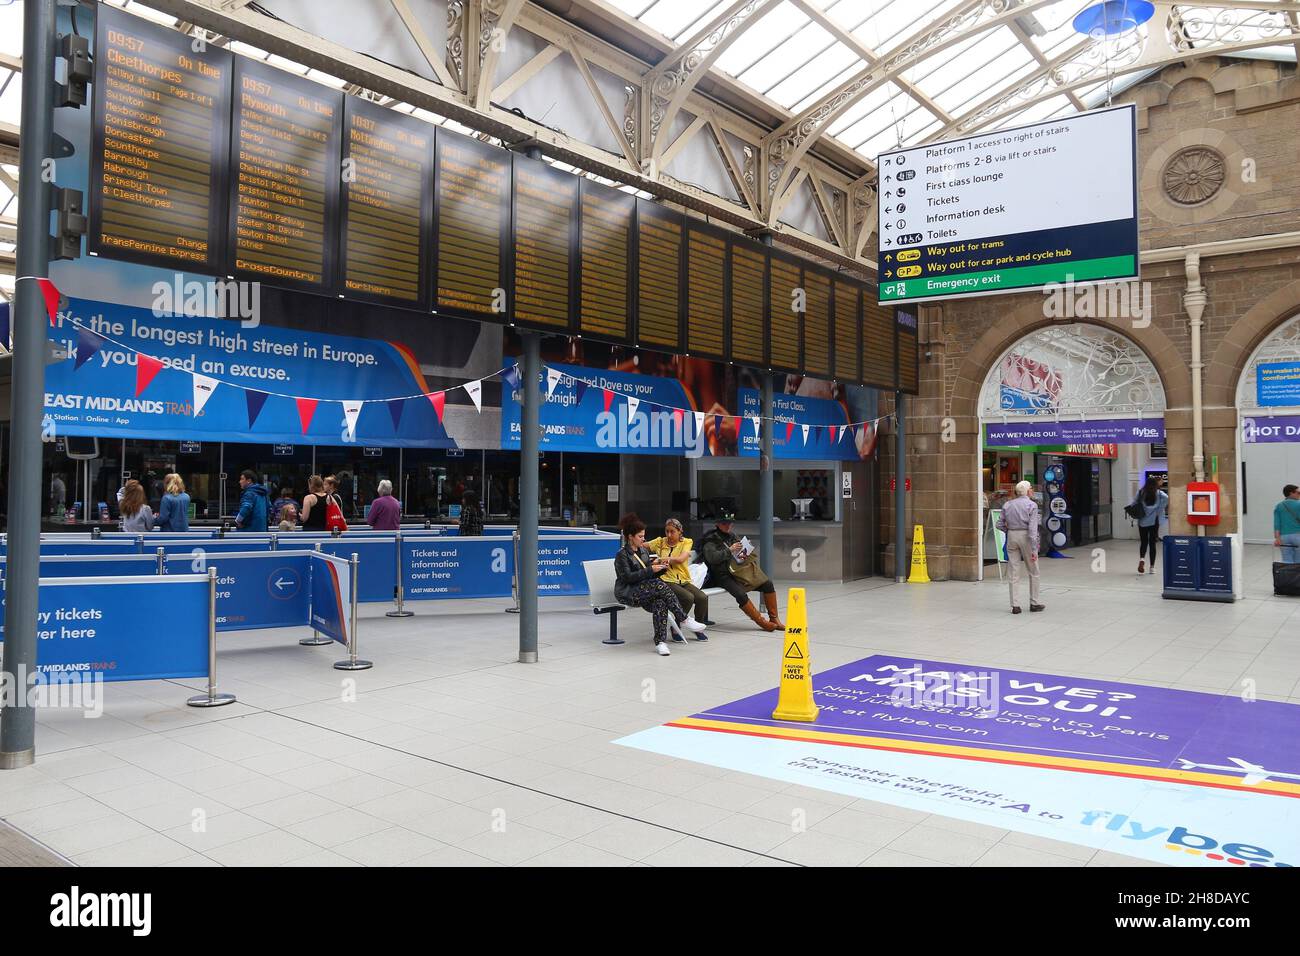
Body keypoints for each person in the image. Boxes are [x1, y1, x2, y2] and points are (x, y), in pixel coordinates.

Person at [614, 513, 706, 656]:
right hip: (628, 592)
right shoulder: (622, 554)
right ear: (630, 537)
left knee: (660, 603)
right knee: (658, 584)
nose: (643, 539)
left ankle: (660, 643)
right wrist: (651, 569)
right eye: (640, 536)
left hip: (644, 590)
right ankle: (684, 619)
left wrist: (659, 568)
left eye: (643, 536)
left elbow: (647, 572)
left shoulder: (643, 551)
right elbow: (627, 578)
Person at [698, 512, 783, 632]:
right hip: (721, 575)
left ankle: (774, 619)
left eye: (729, 523)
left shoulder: (732, 536)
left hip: (737, 571)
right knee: (740, 594)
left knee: (767, 584)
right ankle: (761, 622)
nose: (728, 526)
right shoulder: (710, 540)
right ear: (717, 524)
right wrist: (730, 550)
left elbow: (739, 554)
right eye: (724, 523)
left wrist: (745, 550)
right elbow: (713, 558)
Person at [646, 517, 714, 626]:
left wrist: (663, 559)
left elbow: (681, 559)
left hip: (683, 579)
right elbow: (642, 546)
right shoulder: (660, 542)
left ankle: (698, 626)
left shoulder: (686, 542)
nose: (669, 535)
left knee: (702, 598)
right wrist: (649, 561)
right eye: (667, 531)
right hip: (666, 579)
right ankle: (677, 627)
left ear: (679, 531)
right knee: (688, 598)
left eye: (672, 531)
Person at [997, 480, 1044, 614]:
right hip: (1026, 537)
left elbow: (999, 524)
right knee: (1034, 571)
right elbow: (1033, 529)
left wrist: (1009, 531)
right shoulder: (1032, 505)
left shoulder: (1008, 504)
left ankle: (1015, 605)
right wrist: (1034, 549)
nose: (1032, 490)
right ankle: (1034, 603)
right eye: (1031, 489)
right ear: (1028, 491)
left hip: (1012, 535)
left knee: (1013, 571)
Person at [1131, 475, 1168, 575]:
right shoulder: (1160, 494)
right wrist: (1158, 509)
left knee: (1143, 542)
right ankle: (1152, 567)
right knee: (1152, 543)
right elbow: (1166, 499)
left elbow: (1133, 504)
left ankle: (1142, 559)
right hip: (1154, 522)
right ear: (1155, 484)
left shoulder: (1141, 492)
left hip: (1142, 521)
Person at [1275, 484, 1300, 563]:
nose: (1299, 494)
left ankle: (1289, 575)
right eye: (1298, 492)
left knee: (1286, 560)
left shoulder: (1279, 506)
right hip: (1298, 536)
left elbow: (1277, 524)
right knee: (1298, 561)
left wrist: (1277, 538)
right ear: (1291, 493)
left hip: (1284, 537)